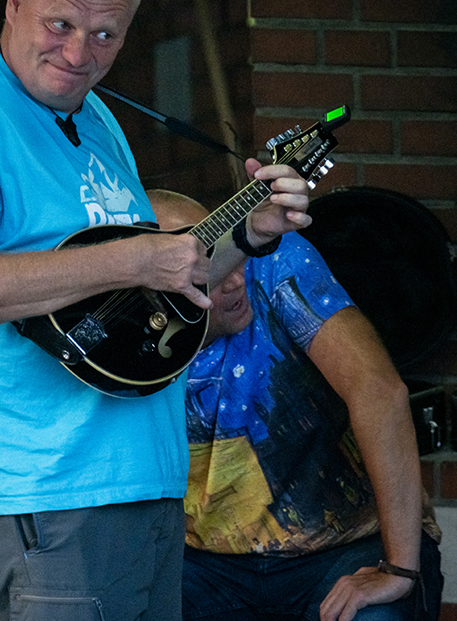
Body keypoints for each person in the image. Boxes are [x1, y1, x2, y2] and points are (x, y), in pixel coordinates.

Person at [0, 0, 313, 621]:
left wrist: (253, 233)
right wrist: (137, 253)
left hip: (139, 473)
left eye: (105, 34)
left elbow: (155, 285)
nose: (79, 53)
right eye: (60, 23)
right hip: (45, 482)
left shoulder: (98, 119)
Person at [144, 190, 444, 621]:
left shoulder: (269, 257)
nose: (234, 278)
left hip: (349, 544)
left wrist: (399, 569)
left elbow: (379, 391)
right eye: (203, 270)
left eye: (225, 252)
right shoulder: (126, 344)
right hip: (204, 563)